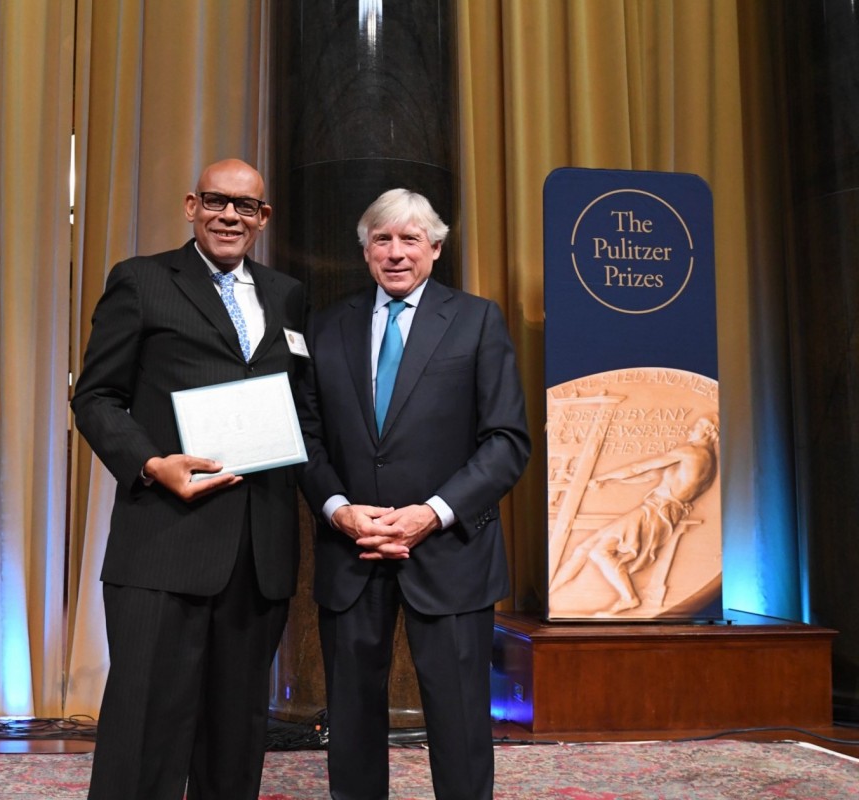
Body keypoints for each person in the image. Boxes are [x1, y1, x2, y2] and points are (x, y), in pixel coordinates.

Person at [71, 158, 307, 800]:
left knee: (235, 741)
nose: (229, 215)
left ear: (264, 218)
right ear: (190, 205)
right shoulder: (142, 281)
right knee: (144, 729)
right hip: (164, 544)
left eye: (245, 206)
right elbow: (95, 397)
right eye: (215, 201)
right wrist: (151, 463)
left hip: (258, 552)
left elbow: (300, 414)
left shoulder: (287, 295)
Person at [297, 188, 530, 800]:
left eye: (409, 239)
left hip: (450, 552)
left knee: (458, 724)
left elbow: (507, 441)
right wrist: (339, 510)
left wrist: (432, 513)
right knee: (349, 721)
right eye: (382, 239)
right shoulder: (326, 326)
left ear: (436, 247)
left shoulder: (478, 320)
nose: (396, 253)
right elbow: (307, 440)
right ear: (365, 250)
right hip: (354, 552)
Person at [551, 413, 720, 613]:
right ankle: (551, 592)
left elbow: (637, 467)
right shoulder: (710, 463)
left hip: (656, 511)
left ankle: (629, 598)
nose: (691, 429)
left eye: (697, 426)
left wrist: (604, 476)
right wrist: (606, 480)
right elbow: (648, 476)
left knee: (600, 551)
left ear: (708, 431)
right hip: (662, 511)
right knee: (583, 548)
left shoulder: (690, 451)